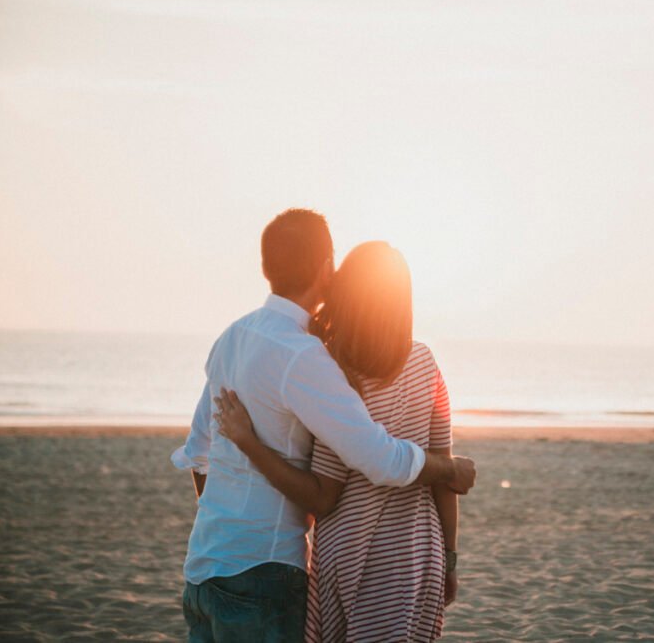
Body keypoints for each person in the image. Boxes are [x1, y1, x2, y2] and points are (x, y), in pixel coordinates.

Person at [172, 209, 476, 643]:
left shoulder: (233, 337)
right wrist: (447, 471)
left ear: (265, 268)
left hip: (204, 568)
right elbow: (376, 459)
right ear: (324, 268)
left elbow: (198, 453)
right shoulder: (310, 358)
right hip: (266, 570)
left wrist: (227, 524)